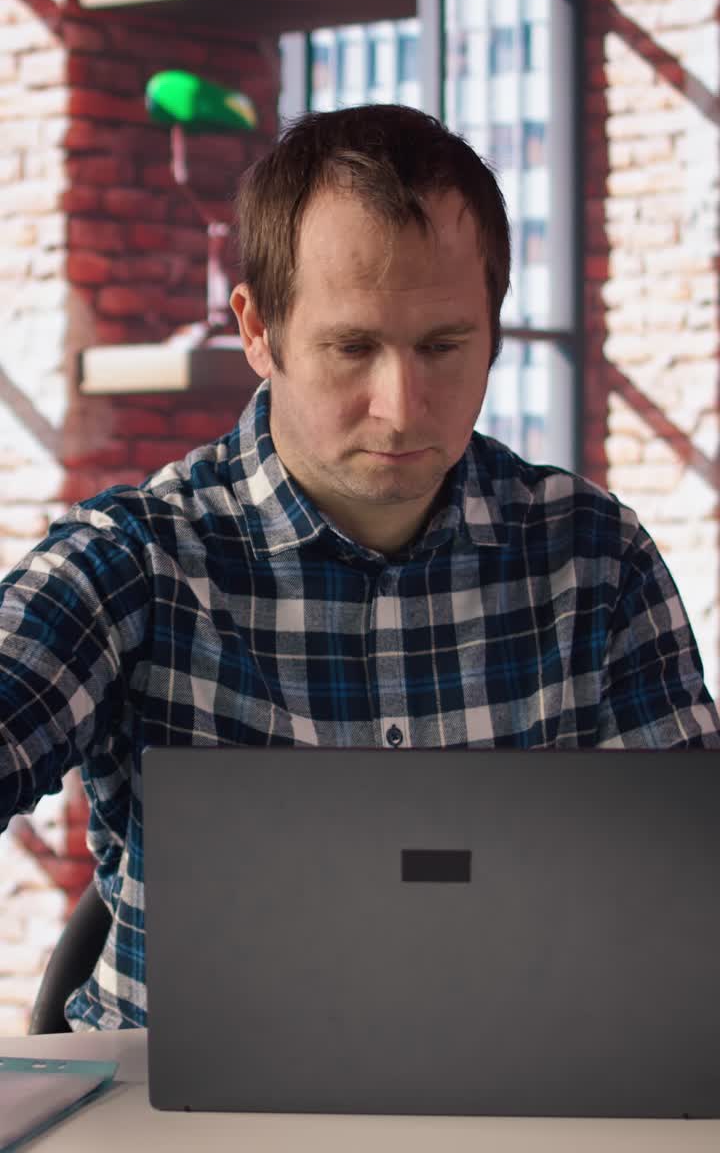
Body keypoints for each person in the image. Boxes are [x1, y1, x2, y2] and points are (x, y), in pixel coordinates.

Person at [1, 103, 718, 1031]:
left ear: (494, 329)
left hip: (522, 1101)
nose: (402, 406)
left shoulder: (595, 558)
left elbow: (687, 893)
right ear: (259, 331)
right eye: (352, 348)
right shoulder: (135, 560)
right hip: (175, 1125)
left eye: (443, 347)